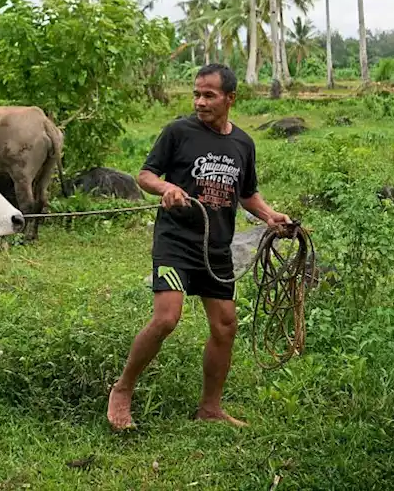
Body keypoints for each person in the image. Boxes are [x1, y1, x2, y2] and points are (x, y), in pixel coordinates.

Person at [106, 63, 290, 431]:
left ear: (230, 98)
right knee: (167, 318)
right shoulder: (178, 132)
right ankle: (122, 389)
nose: (200, 102)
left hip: (216, 248)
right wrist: (166, 189)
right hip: (176, 241)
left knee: (225, 325)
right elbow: (145, 175)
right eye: (197, 94)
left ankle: (210, 408)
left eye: (209, 95)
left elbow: (248, 193)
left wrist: (270, 216)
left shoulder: (243, 143)